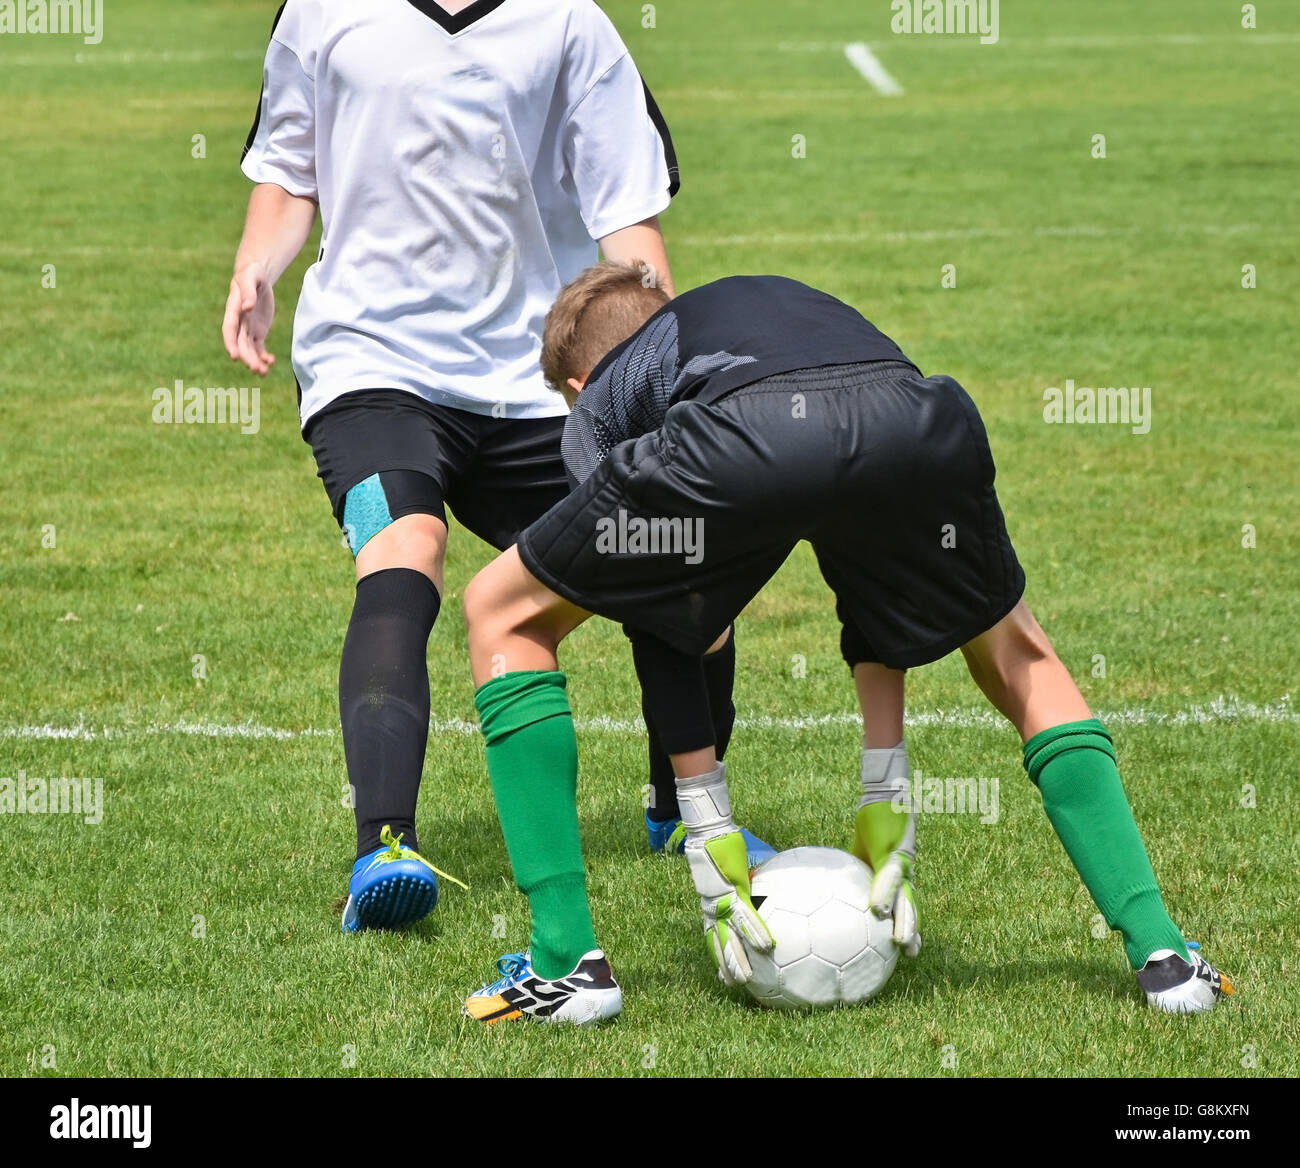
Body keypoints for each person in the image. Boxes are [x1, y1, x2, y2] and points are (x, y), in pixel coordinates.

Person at [459, 262, 1234, 1024]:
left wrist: (707, 831)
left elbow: (664, 615)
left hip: (742, 435)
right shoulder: (767, 318)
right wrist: (884, 796)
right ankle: (1166, 959)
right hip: (917, 420)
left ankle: (567, 967)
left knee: (501, 611)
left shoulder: (601, 401)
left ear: (575, 384)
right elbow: (873, 587)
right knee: (1018, 651)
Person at [223, 0, 710, 932]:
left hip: (536, 383)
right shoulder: (323, 10)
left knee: (672, 559)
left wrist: (644, 372)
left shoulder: (570, 21)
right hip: (372, 363)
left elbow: (629, 223)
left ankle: (685, 811)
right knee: (404, 550)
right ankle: (385, 848)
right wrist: (258, 267)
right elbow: (290, 169)